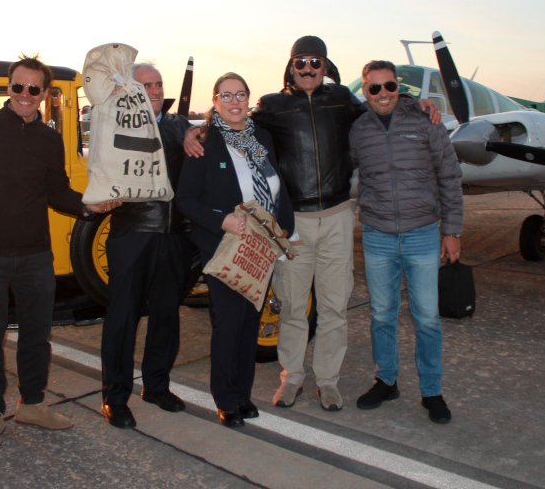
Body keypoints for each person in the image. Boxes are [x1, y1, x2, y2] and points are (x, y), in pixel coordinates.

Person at [185, 36, 439, 412]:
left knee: (335, 308)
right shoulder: (271, 107)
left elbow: (377, 102)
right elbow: (235, 124)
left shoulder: (341, 101)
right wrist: (194, 131)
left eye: (315, 62)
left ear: (325, 66)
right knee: (291, 307)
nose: (308, 69)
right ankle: (292, 379)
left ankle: (328, 381)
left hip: (337, 216)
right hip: (294, 222)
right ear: (291, 67)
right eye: (300, 62)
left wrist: (412, 102)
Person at [0, 54, 119, 454]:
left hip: (35, 255)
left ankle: (32, 405)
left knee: (37, 337)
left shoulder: (49, 140)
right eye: (18, 86)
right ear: (9, 87)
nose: (25, 94)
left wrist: (91, 205)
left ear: (44, 94)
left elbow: (57, 194)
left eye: (33, 89)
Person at [177, 73, 295, 427]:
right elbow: (185, 199)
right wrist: (221, 219)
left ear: (248, 99)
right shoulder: (204, 142)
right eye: (225, 95)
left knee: (249, 323)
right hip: (225, 247)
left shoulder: (261, 138)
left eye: (240, 94)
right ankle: (226, 398)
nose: (234, 101)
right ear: (214, 102)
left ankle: (243, 394)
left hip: (261, 248)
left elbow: (276, 185)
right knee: (229, 324)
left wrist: (285, 228)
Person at [349, 60, 463, 424]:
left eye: (390, 86)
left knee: (427, 318)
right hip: (378, 235)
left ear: (399, 87)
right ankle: (386, 380)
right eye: (374, 88)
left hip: (422, 234)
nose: (384, 94)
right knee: (382, 315)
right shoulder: (357, 129)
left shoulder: (426, 122)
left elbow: (450, 176)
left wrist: (452, 230)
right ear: (365, 91)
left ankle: (432, 390)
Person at [100, 63, 194, 429]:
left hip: (174, 238)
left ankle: (156, 385)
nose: (155, 90)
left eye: (158, 84)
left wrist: (194, 133)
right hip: (132, 235)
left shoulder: (178, 126)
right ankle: (115, 396)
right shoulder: (115, 126)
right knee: (122, 318)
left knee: (167, 317)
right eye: (146, 85)